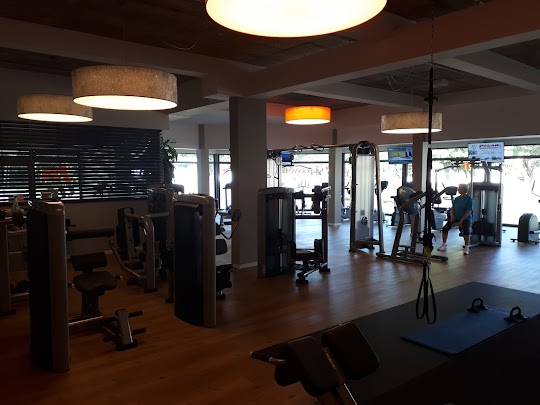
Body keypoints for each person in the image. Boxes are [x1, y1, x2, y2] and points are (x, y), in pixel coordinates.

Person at [437, 183, 473, 255]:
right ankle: (444, 244)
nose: (458, 189)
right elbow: (453, 208)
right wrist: (452, 216)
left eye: (459, 188)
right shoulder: (457, 199)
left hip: (466, 218)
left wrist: (462, 220)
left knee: (466, 231)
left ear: (463, 189)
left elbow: (468, 210)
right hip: (456, 217)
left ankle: (466, 247)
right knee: (445, 228)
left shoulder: (469, 199)